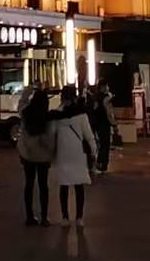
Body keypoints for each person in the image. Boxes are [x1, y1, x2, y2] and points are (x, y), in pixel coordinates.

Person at [50, 85, 97, 227]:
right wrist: (93, 150)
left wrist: (51, 153)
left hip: (63, 153)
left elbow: (52, 135)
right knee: (79, 186)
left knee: (64, 185)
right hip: (78, 154)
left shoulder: (57, 115)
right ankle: (79, 217)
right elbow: (88, 134)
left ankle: (65, 217)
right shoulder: (81, 115)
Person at [17, 88, 55, 226]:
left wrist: (27, 90)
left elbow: (21, 103)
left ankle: (29, 216)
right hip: (43, 156)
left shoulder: (25, 113)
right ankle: (44, 217)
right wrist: (51, 152)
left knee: (29, 184)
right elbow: (49, 139)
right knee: (43, 186)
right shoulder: (47, 118)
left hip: (28, 155)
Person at [89, 85, 114, 173]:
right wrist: (113, 123)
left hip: (97, 124)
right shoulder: (106, 98)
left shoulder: (94, 97)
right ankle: (103, 163)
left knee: (100, 143)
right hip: (104, 123)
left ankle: (98, 161)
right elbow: (109, 112)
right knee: (105, 144)